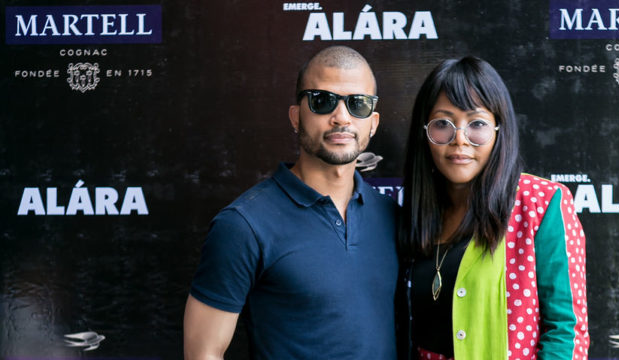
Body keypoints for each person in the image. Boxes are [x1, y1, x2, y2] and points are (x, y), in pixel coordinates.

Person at [184, 46, 398, 360]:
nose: (341, 117)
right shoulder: (243, 225)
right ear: (296, 117)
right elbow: (203, 352)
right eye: (322, 101)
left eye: (358, 104)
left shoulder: (392, 217)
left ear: (374, 122)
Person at [398, 56, 589, 360]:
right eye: (443, 124)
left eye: (477, 124)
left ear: (500, 130)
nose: (460, 139)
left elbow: (566, 331)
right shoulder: (412, 212)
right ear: (425, 133)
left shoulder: (540, 203)